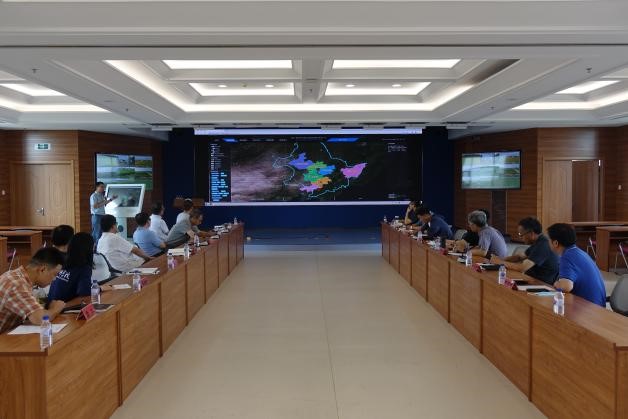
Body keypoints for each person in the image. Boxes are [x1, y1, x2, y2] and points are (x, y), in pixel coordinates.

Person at [0, 247, 66, 334]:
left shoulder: (17, 275)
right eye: (54, 274)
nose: (54, 279)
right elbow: (40, 319)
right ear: (42, 269)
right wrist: (55, 309)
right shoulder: (17, 284)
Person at [547, 223, 606, 307]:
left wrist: (557, 283)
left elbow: (566, 286)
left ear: (555, 243)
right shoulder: (577, 252)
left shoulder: (567, 256)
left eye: (548, 240)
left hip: (590, 309)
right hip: (596, 305)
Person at [490, 217, 559, 285]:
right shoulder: (538, 241)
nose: (520, 237)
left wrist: (500, 262)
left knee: (500, 283)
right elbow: (519, 257)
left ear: (531, 233)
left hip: (541, 284)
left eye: (521, 234)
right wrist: (500, 259)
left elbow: (522, 267)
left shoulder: (543, 245)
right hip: (531, 279)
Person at [47, 232, 110, 302]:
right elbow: (84, 291)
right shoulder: (83, 268)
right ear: (88, 249)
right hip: (64, 306)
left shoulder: (64, 261)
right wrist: (101, 288)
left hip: (49, 304)